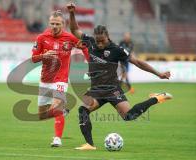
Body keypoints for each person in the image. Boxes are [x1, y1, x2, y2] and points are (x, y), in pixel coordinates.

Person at [67, 2, 172, 150]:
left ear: (107, 37)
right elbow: (74, 29)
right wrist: (72, 13)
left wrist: (158, 73)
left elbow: (137, 62)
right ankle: (90, 145)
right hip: (96, 90)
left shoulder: (117, 49)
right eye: (97, 41)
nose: (100, 44)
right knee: (83, 110)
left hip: (112, 89)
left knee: (129, 116)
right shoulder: (90, 42)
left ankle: (156, 98)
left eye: (102, 41)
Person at [31, 10, 89, 147]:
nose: (54, 26)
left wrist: (90, 63)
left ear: (63, 24)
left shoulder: (69, 38)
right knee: (42, 115)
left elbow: (85, 47)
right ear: (49, 23)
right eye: (52, 23)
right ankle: (62, 111)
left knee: (56, 106)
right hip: (45, 80)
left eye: (57, 24)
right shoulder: (41, 37)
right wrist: (43, 56)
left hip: (61, 79)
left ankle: (57, 139)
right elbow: (33, 58)